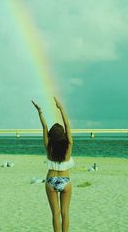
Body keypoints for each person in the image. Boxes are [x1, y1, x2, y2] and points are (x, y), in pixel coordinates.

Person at [32, 97, 74, 232]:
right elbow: (67, 126)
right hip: (65, 180)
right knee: (65, 213)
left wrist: (40, 112)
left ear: (51, 136)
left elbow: (44, 127)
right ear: (63, 135)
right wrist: (61, 108)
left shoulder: (48, 146)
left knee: (55, 214)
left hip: (50, 181)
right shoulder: (68, 146)